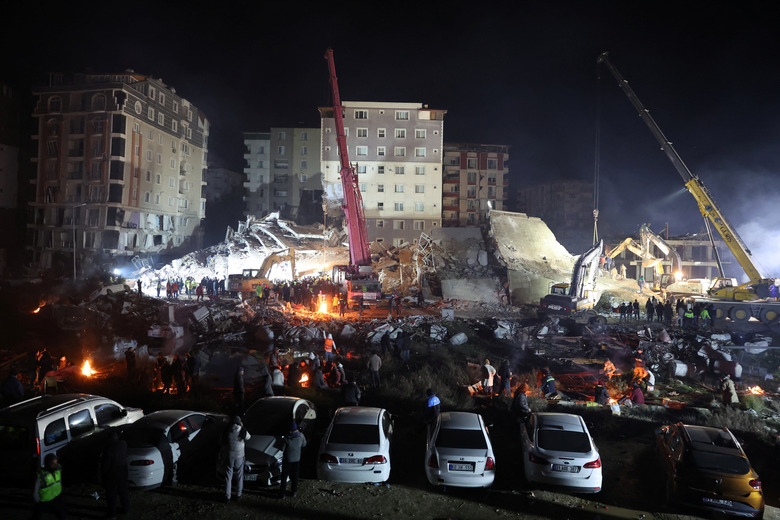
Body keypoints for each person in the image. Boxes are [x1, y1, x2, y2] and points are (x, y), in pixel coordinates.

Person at [101, 430, 129, 518]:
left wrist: (103, 475)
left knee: (111, 496)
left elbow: (105, 466)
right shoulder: (123, 444)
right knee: (123, 492)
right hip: (123, 472)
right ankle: (126, 509)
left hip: (112, 475)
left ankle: (112, 514)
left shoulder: (108, 450)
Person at [223, 416, 250, 502]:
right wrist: (242, 427)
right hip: (239, 456)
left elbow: (221, 441)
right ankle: (238, 495)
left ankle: (227, 496)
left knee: (228, 476)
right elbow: (249, 437)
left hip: (229, 455)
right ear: (239, 422)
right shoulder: (242, 430)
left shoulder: (227, 430)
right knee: (239, 475)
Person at [279, 422, 307, 499]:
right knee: (295, 477)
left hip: (287, 460)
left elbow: (282, 449)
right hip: (296, 460)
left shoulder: (286, 437)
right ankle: (293, 492)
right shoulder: (301, 436)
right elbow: (304, 444)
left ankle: (282, 493)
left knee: (284, 477)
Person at [33, 453, 65, 520]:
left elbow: (59, 480)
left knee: (62, 515)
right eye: (53, 463)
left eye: (56, 462)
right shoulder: (42, 475)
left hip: (57, 497)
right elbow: (36, 488)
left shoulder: (58, 469)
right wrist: (37, 499)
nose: (55, 465)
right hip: (44, 500)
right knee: (37, 516)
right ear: (48, 463)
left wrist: (61, 487)